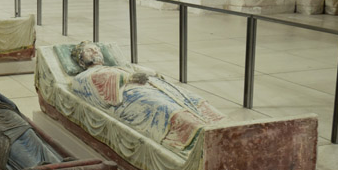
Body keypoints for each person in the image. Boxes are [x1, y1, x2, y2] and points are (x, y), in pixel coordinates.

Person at [70, 41, 225, 154]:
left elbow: (149, 72)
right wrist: (128, 78)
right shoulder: (84, 76)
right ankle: (198, 137)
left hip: (152, 85)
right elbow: (96, 87)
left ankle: (220, 124)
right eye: (89, 50)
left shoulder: (119, 66)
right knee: (166, 107)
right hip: (131, 95)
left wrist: (147, 73)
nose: (95, 52)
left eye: (97, 49)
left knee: (191, 98)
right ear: (81, 60)